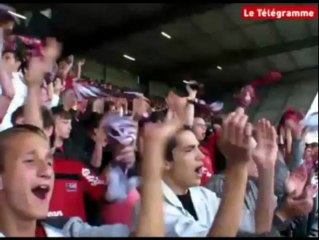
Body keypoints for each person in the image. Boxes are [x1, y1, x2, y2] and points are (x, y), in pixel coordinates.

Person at [134, 107, 265, 237]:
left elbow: (258, 225)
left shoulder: (204, 195)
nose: (201, 155)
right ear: (165, 162)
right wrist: (237, 166)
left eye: (198, 147)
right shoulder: (151, 208)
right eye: (189, 149)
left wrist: (267, 168)